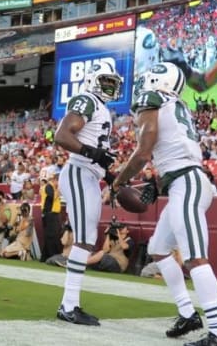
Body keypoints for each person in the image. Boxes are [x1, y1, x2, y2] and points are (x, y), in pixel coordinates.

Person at [112, 62, 217, 346]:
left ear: (156, 79)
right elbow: (173, 148)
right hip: (183, 180)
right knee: (157, 249)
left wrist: (118, 182)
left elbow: (143, 152)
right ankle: (188, 314)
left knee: (194, 258)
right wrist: (158, 183)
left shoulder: (153, 98)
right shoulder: (174, 103)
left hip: (186, 182)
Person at [54, 60, 122, 326]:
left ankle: (70, 304)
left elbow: (96, 152)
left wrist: (109, 174)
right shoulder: (86, 99)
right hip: (79, 173)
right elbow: (62, 135)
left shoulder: (101, 108)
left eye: (112, 82)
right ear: (93, 79)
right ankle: (69, 306)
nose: (109, 86)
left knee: (87, 239)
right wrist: (92, 153)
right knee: (84, 239)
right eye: (105, 81)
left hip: (89, 176)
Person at [40, 173, 62, 262]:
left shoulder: (53, 187)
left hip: (54, 214)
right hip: (49, 214)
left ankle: (45, 257)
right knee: (52, 236)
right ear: (55, 180)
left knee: (51, 236)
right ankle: (52, 256)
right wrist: (58, 190)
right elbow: (53, 197)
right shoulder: (48, 187)